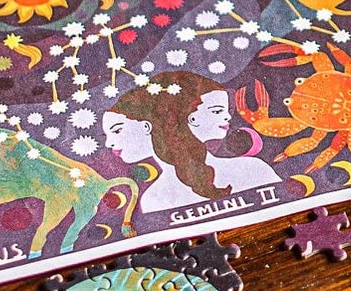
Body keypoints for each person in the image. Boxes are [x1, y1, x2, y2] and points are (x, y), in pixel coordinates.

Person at [102, 71, 275, 214]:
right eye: (217, 111)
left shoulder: (253, 170)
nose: (108, 143)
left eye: (116, 131)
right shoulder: (154, 199)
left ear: (148, 126)